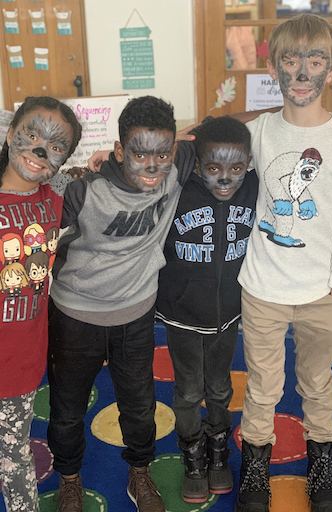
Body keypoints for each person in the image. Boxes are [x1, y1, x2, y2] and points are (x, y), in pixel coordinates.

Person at [47, 96, 198, 512]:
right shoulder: (83, 191)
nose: (152, 166)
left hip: (135, 314)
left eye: (162, 154)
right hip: (76, 316)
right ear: (118, 151)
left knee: (139, 402)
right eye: (138, 153)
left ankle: (139, 473)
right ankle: (70, 479)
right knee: (66, 408)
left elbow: (221, 129)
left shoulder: (177, 167)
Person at [233, 14, 332, 512]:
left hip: (325, 293)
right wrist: (114, 155)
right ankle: (254, 466)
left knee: (318, 382)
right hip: (263, 289)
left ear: (331, 70)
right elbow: (197, 145)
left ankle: (322, 463)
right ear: (273, 67)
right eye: (290, 61)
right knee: (262, 385)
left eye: (314, 61)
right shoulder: (257, 133)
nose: (301, 74)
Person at [155, 116, 257, 503]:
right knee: (187, 392)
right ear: (196, 164)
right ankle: (193, 459)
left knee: (219, 389)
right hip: (182, 315)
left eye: (236, 168)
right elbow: (152, 158)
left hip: (228, 314)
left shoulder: (254, 188)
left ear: (248, 163)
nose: (225, 180)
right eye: (213, 168)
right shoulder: (176, 189)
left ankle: (218, 456)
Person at [0, 96, 82, 512]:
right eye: (30, 135)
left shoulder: (58, 198)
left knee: (14, 456)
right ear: (11, 133)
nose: (38, 151)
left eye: (54, 146)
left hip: (20, 358)